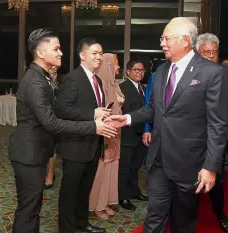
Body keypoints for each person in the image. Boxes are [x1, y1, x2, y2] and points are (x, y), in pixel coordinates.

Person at [105, 17, 228, 233]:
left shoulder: (212, 73)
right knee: (154, 217)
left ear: (185, 40)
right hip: (159, 160)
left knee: (183, 221)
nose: (162, 43)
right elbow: (154, 108)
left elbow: (218, 125)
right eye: (162, 38)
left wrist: (210, 167)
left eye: (166, 38)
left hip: (189, 164)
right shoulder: (161, 72)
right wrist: (127, 119)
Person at [8, 29, 116, 233]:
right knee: (28, 210)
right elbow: (52, 122)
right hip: (28, 154)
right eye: (56, 49)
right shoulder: (35, 81)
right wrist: (93, 126)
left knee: (33, 208)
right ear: (40, 52)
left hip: (36, 152)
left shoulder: (43, 77)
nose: (61, 53)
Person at [56, 38, 110, 233]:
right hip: (75, 145)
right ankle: (67, 229)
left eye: (101, 53)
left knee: (84, 189)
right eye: (94, 53)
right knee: (70, 192)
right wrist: (93, 113)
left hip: (93, 144)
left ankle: (81, 223)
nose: (99, 57)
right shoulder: (72, 78)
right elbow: (62, 110)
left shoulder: (98, 80)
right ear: (82, 55)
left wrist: (103, 114)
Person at [196, 32, 228, 232]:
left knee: (217, 178)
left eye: (213, 53)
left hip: (216, 137)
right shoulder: (187, 73)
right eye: (205, 52)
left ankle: (219, 213)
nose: (209, 56)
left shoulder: (224, 74)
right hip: (192, 137)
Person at [89, 53, 125, 219]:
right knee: (101, 171)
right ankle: (97, 205)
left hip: (115, 133)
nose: (118, 68)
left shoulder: (114, 84)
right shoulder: (100, 87)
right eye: (116, 64)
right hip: (105, 135)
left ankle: (107, 202)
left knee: (112, 168)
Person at [118, 60, 148, 212]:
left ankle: (134, 192)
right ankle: (123, 197)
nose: (139, 72)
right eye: (136, 69)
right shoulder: (122, 88)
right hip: (127, 135)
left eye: (142, 70)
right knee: (125, 168)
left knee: (136, 167)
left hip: (141, 135)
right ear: (128, 72)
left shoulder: (143, 88)